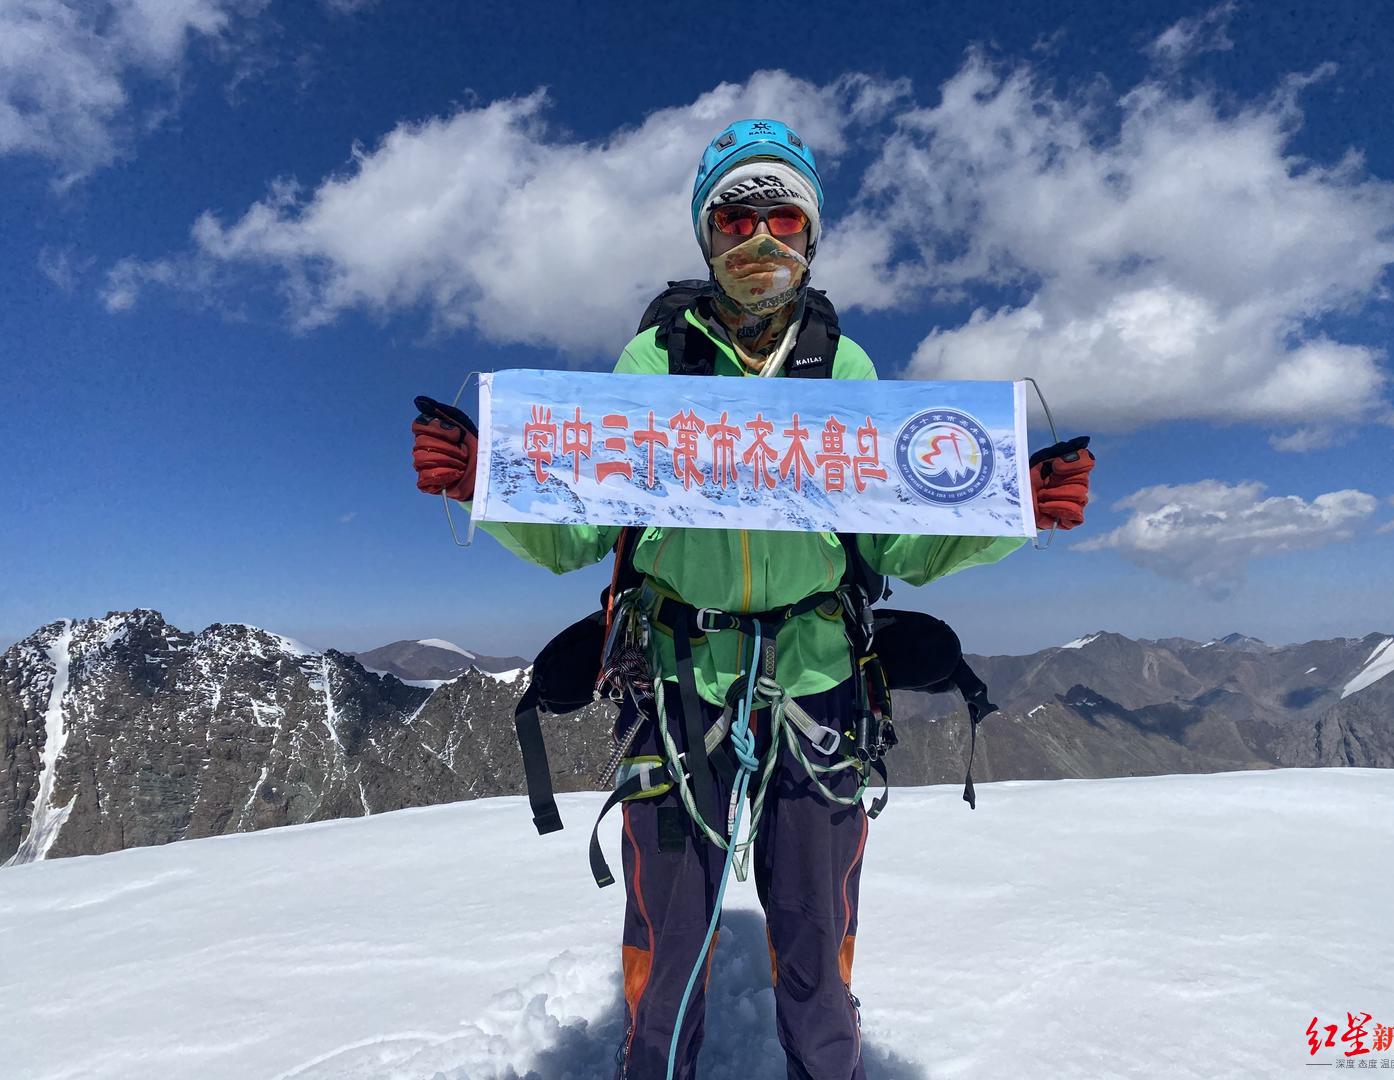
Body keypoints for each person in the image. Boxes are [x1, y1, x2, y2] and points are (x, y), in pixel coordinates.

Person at [411, 118, 1096, 1080]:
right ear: (707, 235)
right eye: (736, 220)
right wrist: (488, 481)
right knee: (668, 942)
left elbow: (897, 538)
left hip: (816, 681)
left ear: (812, 233)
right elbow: (576, 530)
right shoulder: (651, 366)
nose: (760, 238)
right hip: (675, 681)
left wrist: (1010, 507)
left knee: (815, 937)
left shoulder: (844, 370)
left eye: (783, 217)